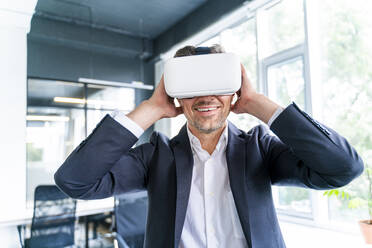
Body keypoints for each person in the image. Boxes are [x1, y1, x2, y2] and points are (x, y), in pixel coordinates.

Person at [54, 44, 364, 248]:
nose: (206, 97)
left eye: (217, 84)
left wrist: (257, 104)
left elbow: (342, 168)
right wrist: (150, 108)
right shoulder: (156, 156)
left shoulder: (260, 149)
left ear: (234, 91)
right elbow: (75, 181)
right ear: (176, 94)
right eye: (192, 86)